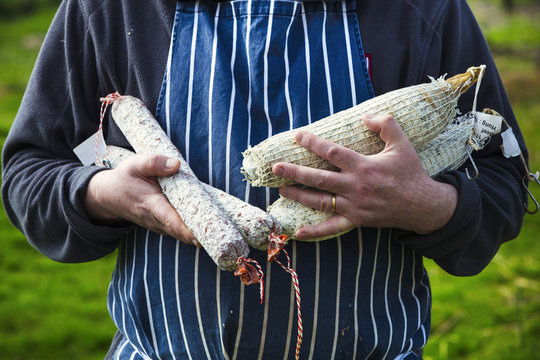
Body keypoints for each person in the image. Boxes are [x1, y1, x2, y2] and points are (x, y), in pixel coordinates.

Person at [1, 0, 528, 359]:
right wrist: (101, 195)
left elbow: (506, 177)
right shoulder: (116, 8)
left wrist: (428, 204)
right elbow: (28, 172)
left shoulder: (422, 8)